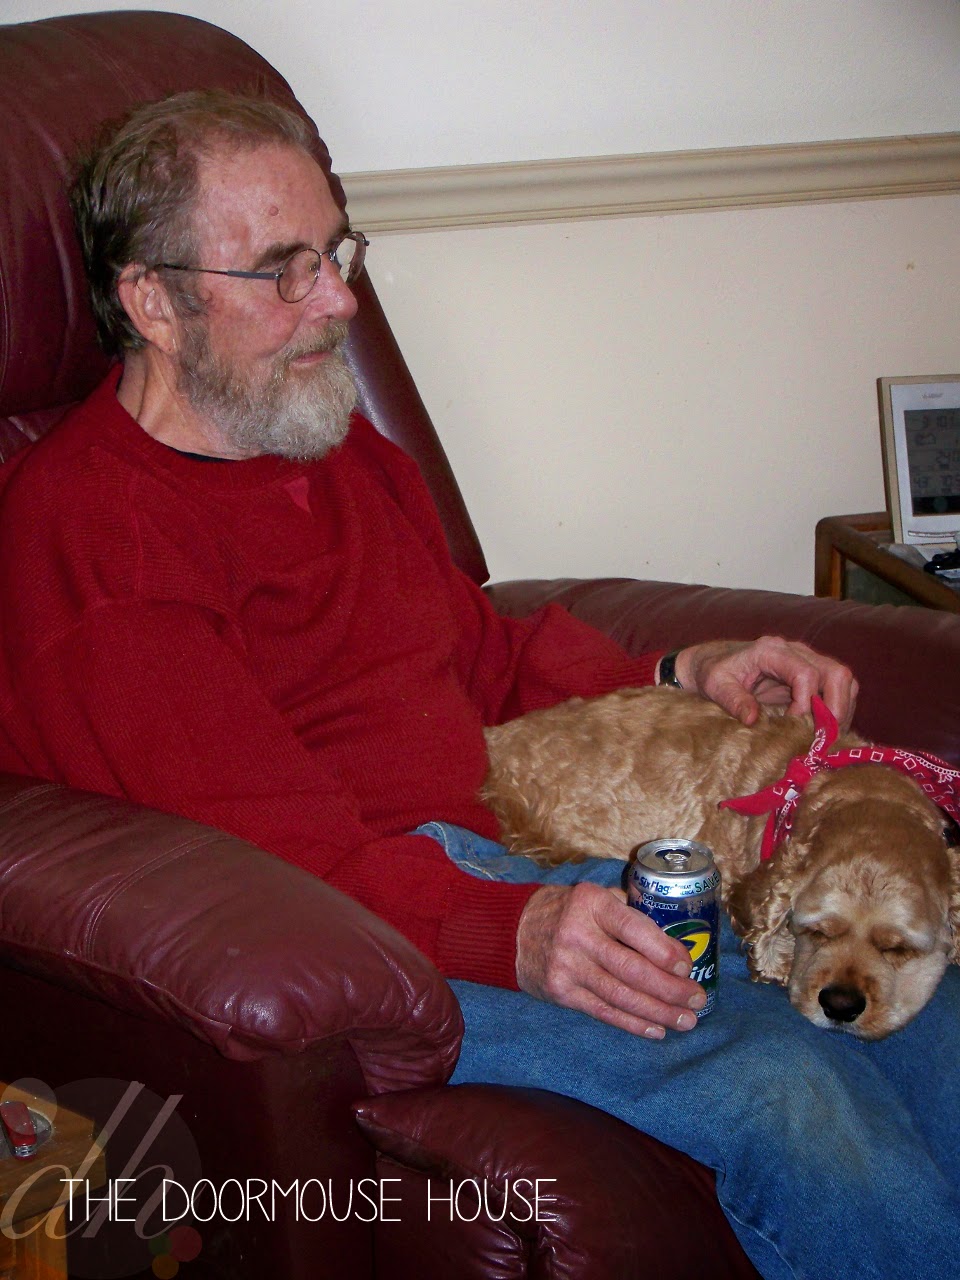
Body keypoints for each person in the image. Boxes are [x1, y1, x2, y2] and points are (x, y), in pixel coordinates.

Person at [0, 91, 954, 1279]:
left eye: (338, 251)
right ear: (153, 301)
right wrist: (510, 927)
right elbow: (275, 861)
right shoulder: (96, 547)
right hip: (365, 944)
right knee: (787, 1089)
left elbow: (477, 657)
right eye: (285, 270)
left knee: (930, 1010)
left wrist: (679, 672)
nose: (340, 302)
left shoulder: (326, 442)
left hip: (508, 848)